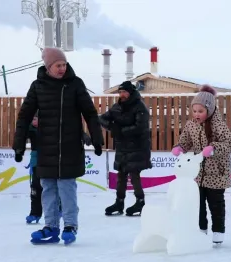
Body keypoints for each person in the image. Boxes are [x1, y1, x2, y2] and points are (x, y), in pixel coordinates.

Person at [12, 47, 104, 245]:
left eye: (64, 64)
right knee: (48, 187)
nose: (62, 68)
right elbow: (24, 115)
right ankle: (51, 226)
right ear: (48, 67)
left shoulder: (75, 84)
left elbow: (89, 112)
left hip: (70, 147)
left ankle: (70, 225)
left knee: (66, 186)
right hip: (46, 146)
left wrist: (97, 139)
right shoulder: (38, 86)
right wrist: (19, 144)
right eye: (58, 65)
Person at [171, 85, 231, 244]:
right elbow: (185, 140)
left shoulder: (218, 125)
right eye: (194, 111)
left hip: (217, 172)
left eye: (200, 111)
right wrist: (180, 147)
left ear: (210, 110)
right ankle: (201, 230)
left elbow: (229, 144)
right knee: (198, 204)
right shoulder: (191, 125)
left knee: (216, 204)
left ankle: (218, 233)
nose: (197, 114)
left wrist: (213, 148)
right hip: (198, 172)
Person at [100, 81, 152, 216]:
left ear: (130, 92)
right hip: (122, 147)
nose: (122, 94)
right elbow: (102, 119)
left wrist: (121, 131)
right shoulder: (117, 107)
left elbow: (140, 127)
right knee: (121, 175)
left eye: (124, 92)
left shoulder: (140, 107)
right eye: (120, 92)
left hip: (137, 147)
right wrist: (112, 127)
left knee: (134, 175)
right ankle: (119, 202)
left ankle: (140, 202)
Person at [25, 113, 42, 224]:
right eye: (32, 119)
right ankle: (35, 213)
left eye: (35, 118)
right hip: (36, 161)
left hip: (50, 161)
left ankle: (59, 209)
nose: (33, 121)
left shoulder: (49, 129)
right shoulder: (31, 130)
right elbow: (21, 135)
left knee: (52, 188)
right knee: (35, 188)